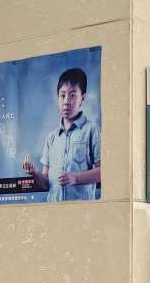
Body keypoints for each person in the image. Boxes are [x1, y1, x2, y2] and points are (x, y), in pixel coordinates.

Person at [21, 67, 101, 202]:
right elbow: (46, 184)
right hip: (54, 210)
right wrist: (34, 173)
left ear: (82, 98)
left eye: (72, 95)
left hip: (82, 211)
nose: (66, 101)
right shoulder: (51, 138)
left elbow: (103, 172)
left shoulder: (92, 130)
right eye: (62, 95)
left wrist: (76, 178)